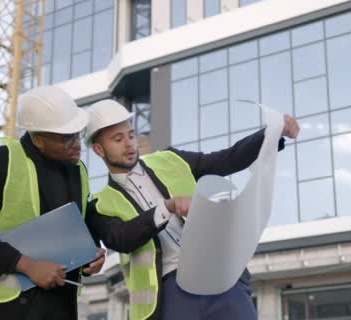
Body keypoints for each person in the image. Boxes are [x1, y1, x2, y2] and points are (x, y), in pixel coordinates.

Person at [85, 99, 300, 320]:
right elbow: (122, 239)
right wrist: (165, 208)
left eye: (131, 135)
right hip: (171, 293)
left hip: (219, 274)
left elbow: (224, 160)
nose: (129, 144)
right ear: (99, 149)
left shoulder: (170, 160)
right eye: (118, 139)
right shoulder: (100, 205)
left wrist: (272, 134)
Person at [0, 85, 106, 320]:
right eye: (65, 137)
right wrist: (26, 265)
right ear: (37, 139)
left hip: (58, 309)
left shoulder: (78, 170)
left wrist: (92, 256)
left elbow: (76, 230)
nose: (76, 142)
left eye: (77, 133)